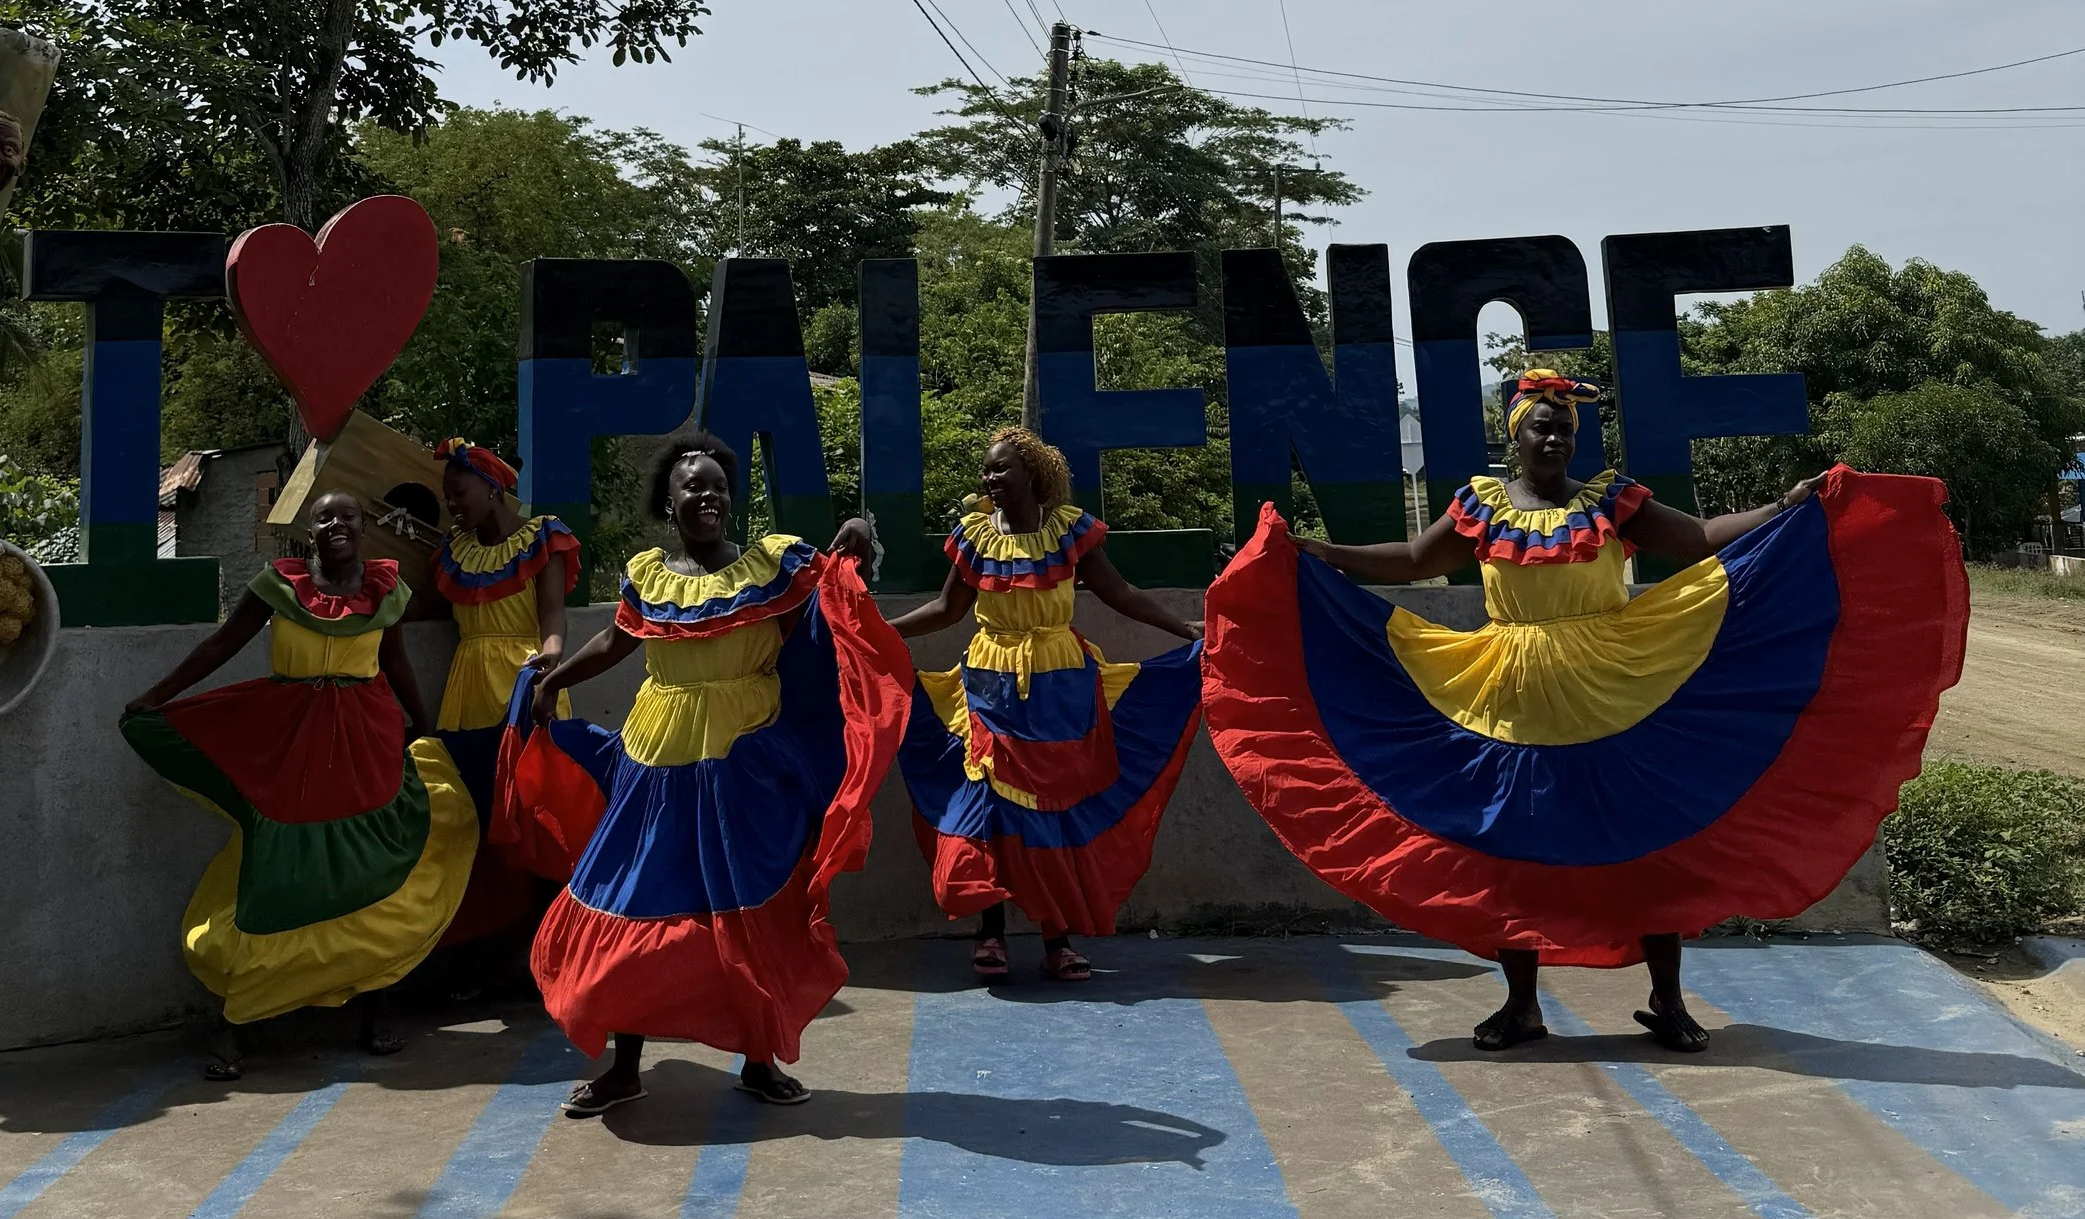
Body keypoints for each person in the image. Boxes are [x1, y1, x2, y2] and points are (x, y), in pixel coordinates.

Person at [1201, 368, 1969, 1052]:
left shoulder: (1612, 499)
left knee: (1648, 837)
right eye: (1544, 426)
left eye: (1566, 428)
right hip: (1511, 697)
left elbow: (1699, 539)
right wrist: (1321, 554)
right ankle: (1523, 1006)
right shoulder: (1480, 503)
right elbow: (1409, 561)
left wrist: (1783, 505)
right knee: (1514, 846)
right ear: (1517, 435)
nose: (1557, 438)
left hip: (1623, 689)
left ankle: (1667, 1000)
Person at [497, 433, 910, 1117]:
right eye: (694, 485)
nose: (709, 494)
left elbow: (830, 605)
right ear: (669, 500)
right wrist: (555, 677)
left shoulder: (769, 567)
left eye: (719, 484)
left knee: (747, 908)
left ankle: (758, 1059)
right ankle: (624, 1064)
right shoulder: (649, 574)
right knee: (633, 898)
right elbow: (616, 638)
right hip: (657, 755)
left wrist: (860, 533)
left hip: (745, 760)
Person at [121, 486, 478, 1079]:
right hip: (293, 745)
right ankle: (237, 1022)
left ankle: (375, 1005)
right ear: (309, 531)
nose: (337, 523)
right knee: (278, 872)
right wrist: (157, 697)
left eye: (348, 516)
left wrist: (421, 722)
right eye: (324, 517)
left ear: (364, 529)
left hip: (366, 742)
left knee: (369, 871)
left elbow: (396, 663)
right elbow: (219, 645)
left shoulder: (384, 591)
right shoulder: (277, 586)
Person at [883, 426, 1203, 979]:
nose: (990, 479)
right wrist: (877, 632)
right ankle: (990, 932)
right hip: (989, 688)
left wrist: (1186, 632)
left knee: (1051, 811)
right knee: (985, 805)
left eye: (1001, 468)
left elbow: (1121, 595)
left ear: (1032, 474)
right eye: (986, 470)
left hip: (1060, 691)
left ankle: (1058, 939)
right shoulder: (974, 537)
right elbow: (945, 610)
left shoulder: (1067, 532)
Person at [401, 439, 578, 954]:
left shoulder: (542, 535)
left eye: (459, 492)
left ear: (493, 488)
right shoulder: (453, 553)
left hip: (528, 690)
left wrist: (553, 657)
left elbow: (551, 612)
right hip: (469, 696)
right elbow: (414, 612)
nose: (452, 503)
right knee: (479, 824)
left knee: (539, 821)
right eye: (447, 495)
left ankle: (553, 949)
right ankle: (492, 953)